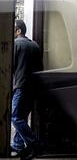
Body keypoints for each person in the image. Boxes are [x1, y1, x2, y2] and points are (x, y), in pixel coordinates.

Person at [11, 20, 43, 159]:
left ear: (18, 31)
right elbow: (40, 68)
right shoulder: (35, 45)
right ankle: (18, 145)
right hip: (33, 88)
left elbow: (9, 66)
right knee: (22, 117)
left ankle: (35, 143)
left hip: (21, 86)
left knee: (15, 116)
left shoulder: (16, 44)